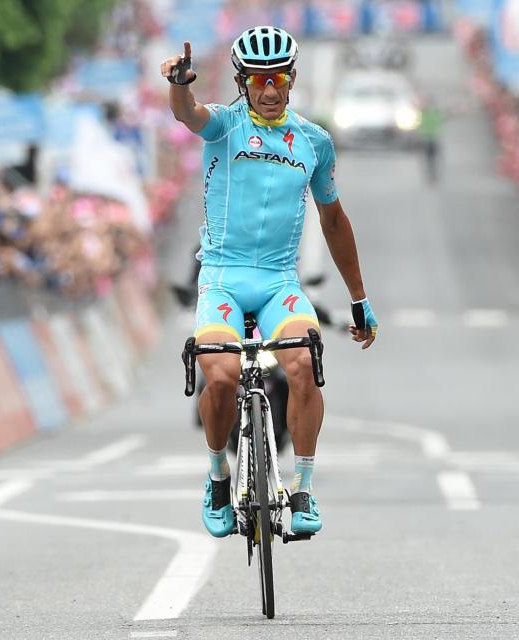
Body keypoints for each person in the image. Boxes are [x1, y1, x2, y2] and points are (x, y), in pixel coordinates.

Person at [160, 26, 379, 538]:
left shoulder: (314, 142)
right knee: (220, 375)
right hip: (222, 278)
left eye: (278, 77)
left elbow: (334, 223)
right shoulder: (224, 125)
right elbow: (186, 113)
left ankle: (302, 488)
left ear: (292, 78)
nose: (269, 88)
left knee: (303, 362)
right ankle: (217, 476)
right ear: (242, 82)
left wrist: (360, 299)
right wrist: (179, 83)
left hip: (280, 280)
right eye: (258, 78)